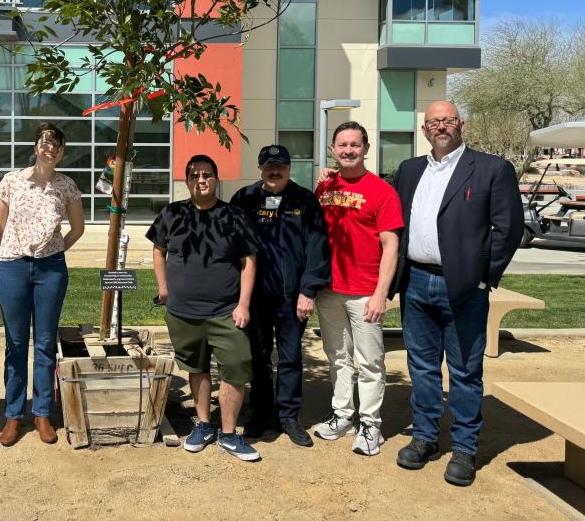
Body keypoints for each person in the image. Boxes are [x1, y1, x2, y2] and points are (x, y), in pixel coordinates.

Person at [391, 101, 523, 486]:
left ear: (461, 125)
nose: (441, 127)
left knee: (465, 370)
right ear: (424, 130)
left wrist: (483, 277)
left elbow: (508, 230)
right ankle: (425, 437)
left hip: (463, 286)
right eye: (434, 122)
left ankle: (464, 447)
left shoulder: (491, 169)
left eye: (448, 120)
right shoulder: (410, 170)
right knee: (422, 366)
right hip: (415, 282)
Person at [148, 154, 261, 462]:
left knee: (235, 369)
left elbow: (248, 261)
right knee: (196, 369)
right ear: (187, 181)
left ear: (216, 179)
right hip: (184, 312)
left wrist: (243, 304)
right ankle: (204, 426)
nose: (201, 180)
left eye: (207, 175)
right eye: (195, 175)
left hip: (226, 311)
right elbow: (159, 250)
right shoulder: (173, 214)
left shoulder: (234, 216)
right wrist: (163, 290)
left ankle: (228, 434)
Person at [230, 144, 331, 447]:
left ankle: (288, 416)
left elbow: (317, 247)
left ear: (289, 168)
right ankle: (260, 413)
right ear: (260, 169)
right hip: (255, 296)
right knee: (258, 357)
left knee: (290, 358)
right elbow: (231, 245)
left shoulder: (305, 201)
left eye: (281, 166)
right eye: (269, 166)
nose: (275, 171)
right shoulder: (244, 199)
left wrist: (308, 291)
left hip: (292, 298)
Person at [313, 121, 403, 456]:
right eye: (342, 145)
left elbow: (391, 246)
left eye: (355, 144)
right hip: (329, 289)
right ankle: (342, 415)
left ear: (365, 148)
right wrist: (316, 186)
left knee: (369, 361)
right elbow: (311, 228)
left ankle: (371, 425)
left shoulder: (382, 191)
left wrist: (381, 292)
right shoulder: (325, 187)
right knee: (337, 357)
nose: (348, 150)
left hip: (366, 291)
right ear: (333, 149)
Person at [0, 122, 84, 446]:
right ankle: (13, 416)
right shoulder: (13, 181)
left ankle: (42, 413)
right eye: (45, 142)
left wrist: (54, 250)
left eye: (56, 144)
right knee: (15, 344)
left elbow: (77, 228)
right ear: (35, 146)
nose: (50, 148)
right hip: (14, 268)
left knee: (45, 343)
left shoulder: (67, 186)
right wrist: (14, 248)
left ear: (61, 151)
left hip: (51, 271)